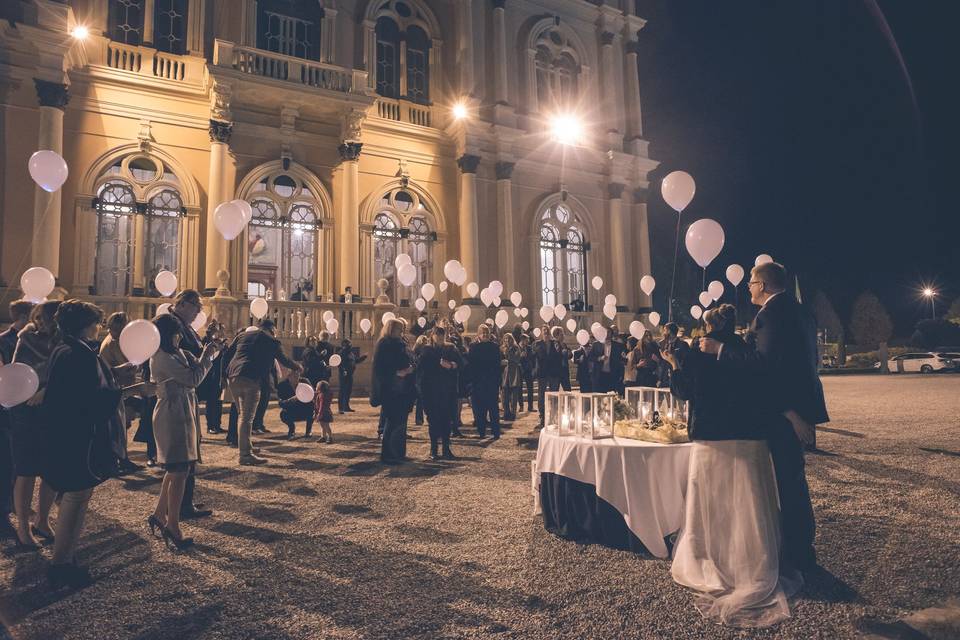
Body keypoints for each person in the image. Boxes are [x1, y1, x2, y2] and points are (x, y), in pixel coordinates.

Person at [662, 304, 799, 627]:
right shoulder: (748, 350)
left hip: (713, 437)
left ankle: (713, 559)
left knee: (713, 502)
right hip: (750, 437)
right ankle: (752, 559)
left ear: (708, 324)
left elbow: (685, 391)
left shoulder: (701, 351)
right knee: (748, 504)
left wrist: (673, 365)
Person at [700, 262, 828, 573]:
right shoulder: (799, 310)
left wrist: (719, 349)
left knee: (785, 481)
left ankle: (796, 552)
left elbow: (766, 366)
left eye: (752, 282)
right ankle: (798, 547)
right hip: (796, 406)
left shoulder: (772, 314)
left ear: (765, 286)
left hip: (781, 412)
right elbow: (804, 363)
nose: (748, 287)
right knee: (792, 479)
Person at [41, 300, 129, 587]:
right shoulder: (79, 355)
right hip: (78, 436)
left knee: (74, 495)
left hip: (62, 433)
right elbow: (88, 400)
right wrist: (123, 393)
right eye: (95, 322)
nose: (98, 327)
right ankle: (61, 563)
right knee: (77, 498)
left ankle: (64, 556)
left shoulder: (63, 349)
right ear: (85, 324)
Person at [148, 314, 217, 551]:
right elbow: (193, 378)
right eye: (177, 332)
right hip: (172, 414)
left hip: (183, 411)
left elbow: (191, 375)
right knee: (179, 470)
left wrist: (202, 357)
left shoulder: (175, 354)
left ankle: (159, 514)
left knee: (176, 468)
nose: (180, 336)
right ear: (169, 335)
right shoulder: (163, 357)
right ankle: (173, 525)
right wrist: (206, 359)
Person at [10, 301, 61, 549]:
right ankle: (22, 526)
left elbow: (64, 374)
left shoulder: (63, 342)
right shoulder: (26, 339)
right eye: (37, 318)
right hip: (27, 410)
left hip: (52, 410)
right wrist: (36, 389)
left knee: (51, 469)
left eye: (45, 318)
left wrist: (48, 389)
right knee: (27, 470)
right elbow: (18, 371)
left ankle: (42, 519)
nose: (40, 322)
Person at [225, 318, 302, 465]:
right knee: (246, 418)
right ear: (272, 329)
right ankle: (245, 455)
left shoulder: (242, 336)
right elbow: (284, 360)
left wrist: (224, 375)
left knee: (242, 416)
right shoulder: (272, 341)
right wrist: (297, 366)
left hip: (233, 377)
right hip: (251, 378)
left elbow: (227, 355)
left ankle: (246, 446)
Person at [98, 312, 143, 474]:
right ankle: (119, 460)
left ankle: (121, 459)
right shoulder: (113, 343)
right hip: (117, 389)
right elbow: (123, 365)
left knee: (123, 424)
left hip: (120, 387)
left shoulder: (115, 340)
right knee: (119, 425)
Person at [371, 318, 415, 463]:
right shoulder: (384, 344)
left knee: (402, 423)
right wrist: (396, 373)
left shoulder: (402, 343)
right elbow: (379, 368)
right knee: (392, 422)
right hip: (391, 388)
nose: (401, 332)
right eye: (399, 330)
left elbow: (410, 358)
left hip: (404, 388)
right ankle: (388, 454)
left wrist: (410, 368)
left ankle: (399, 453)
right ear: (391, 329)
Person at [416, 326, 463, 460]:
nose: (441, 339)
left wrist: (452, 365)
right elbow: (421, 370)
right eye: (438, 336)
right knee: (433, 421)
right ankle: (434, 449)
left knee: (447, 420)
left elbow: (461, 363)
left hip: (448, 391)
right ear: (433, 336)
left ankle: (446, 449)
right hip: (431, 392)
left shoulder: (450, 348)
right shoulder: (426, 350)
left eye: (443, 336)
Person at [468, 324, 502, 439]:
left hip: (491, 383)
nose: (485, 334)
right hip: (478, 384)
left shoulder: (495, 347)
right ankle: (481, 431)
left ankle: (496, 432)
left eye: (487, 332)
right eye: (483, 333)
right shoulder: (473, 347)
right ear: (479, 334)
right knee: (480, 411)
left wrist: (498, 382)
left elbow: (498, 366)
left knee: (493, 409)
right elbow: (471, 365)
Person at [198, 321, 226, 435]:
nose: (220, 333)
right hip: (208, 377)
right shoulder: (207, 341)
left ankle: (217, 425)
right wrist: (209, 335)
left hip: (219, 376)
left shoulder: (223, 343)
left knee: (218, 402)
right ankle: (210, 426)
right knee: (211, 401)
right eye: (217, 330)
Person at [534, 326, 564, 427]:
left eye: (547, 331)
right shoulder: (537, 344)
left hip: (553, 373)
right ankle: (542, 416)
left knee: (554, 395)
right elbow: (534, 357)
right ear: (542, 333)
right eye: (544, 331)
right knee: (541, 396)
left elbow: (560, 357)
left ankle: (553, 416)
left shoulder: (555, 343)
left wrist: (558, 350)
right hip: (542, 373)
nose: (546, 333)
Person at [0, 299, 34, 364]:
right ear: (23, 317)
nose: (35, 320)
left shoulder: (33, 337)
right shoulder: (3, 340)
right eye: (32, 316)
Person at [336, 338, 366, 413]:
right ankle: (341, 408)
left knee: (348, 391)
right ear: (344, 345)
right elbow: (339, 363)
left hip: (350, 374)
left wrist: (364, 357)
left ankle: (346, 406)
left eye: (350, 344)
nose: (350, 345)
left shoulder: (351, 353)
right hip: (344, 374)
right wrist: (343, 371)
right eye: (348, 344)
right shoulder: (341, 353)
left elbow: (356, 360)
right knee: (342, 391)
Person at [596, 326, 626, 395]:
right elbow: (591, 358)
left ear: (611, 334)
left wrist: (624, 358)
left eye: (608, 332)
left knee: (612, 395)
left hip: (613, 374)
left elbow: (622, 359)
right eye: (605, 332)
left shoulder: (618, 345)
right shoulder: (597, 344)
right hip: (600, 374)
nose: (606, 334)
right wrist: (600, 358)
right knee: (601, 395)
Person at [500, 333, 523, 421]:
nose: (507, 340)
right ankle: (506, 413)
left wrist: (508, 359)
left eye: (509, 338)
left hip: (514, 373)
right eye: (505, 339)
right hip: (505, 374)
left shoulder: (516, 348)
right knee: (504, 396)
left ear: (512, 339)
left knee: (514, 396)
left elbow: (517, 359)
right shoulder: (501, 348)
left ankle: (513, 414)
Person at [412, 335, 429, 425]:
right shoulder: (417, 351)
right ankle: (419, 419)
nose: (425, 344)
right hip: (418, 377)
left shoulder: (426, 351)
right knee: (420, 398)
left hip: (424, 376)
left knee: (422, 399)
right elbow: (416, 362)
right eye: (424, 342)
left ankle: (421, 418)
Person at [518, 335, 536, 412]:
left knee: (530, 389)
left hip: (528, 370)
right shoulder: (517, 347)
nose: (528, 341)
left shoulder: (529, 347)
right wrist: (520, 356)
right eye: (526, 340)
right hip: (520, 370)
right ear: (522, 340)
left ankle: (530, 407)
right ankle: (521, 406)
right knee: (519, 389)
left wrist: (533, 368)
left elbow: (532, 358)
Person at [551, 327, 572, 391]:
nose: (563, 336)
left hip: (564, 371)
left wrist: (569, 353)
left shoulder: (564, 344)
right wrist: (561, 353)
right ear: (556, 335)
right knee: (554, 391)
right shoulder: (553, 344)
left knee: (568, 390)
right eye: (561, 334)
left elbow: (569, 355)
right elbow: (554, 356)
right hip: (556, 372)